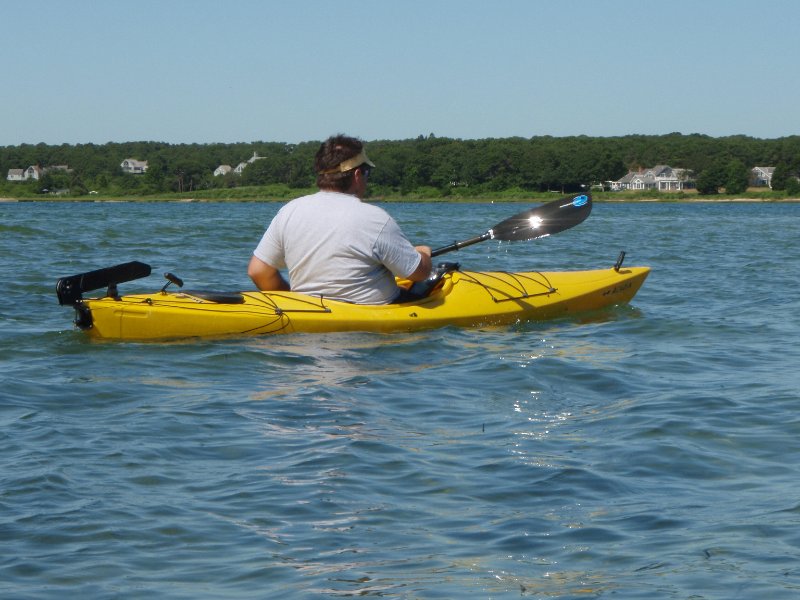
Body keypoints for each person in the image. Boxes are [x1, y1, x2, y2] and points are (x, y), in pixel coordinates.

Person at [248, 134, 432, 304]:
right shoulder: (375, 218)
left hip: (307, 314)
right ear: (357, 175)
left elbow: (258, 271)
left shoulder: (289, 211)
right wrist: (423, 253)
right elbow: (419, 273)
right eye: (367, 173)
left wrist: (294, 303)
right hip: (372, 319)